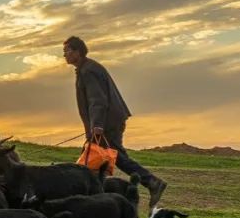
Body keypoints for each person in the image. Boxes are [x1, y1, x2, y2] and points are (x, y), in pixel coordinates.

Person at [63, 36, 167, 209]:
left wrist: (97, 125)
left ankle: (151, 183)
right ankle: (97, 196)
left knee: (100, 156)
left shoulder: (88, 70)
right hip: (109, 120)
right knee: (109, 157)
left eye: (67, 51)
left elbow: (98, 100)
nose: (64, 55)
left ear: (77, 52)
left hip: (107, 122)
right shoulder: (87, 68)